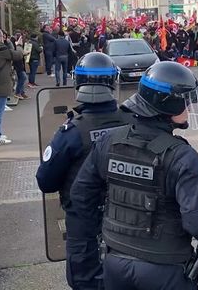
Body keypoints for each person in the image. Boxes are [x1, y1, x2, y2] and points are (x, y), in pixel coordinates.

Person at [70, 61, 198, 290]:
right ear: (169, 106)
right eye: (185, 102)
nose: (188, 108)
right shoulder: (182, 156)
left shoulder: (110, 141)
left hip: (115, 262)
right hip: (164, 269)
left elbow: (81, 196)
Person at [36, 52, 130, 290]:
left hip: (84, 221)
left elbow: (45, 181)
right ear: (113, 82)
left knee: (85, 281)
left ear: (78, 83)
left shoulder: (69, 133)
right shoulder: (132, 123)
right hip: (129, 217)